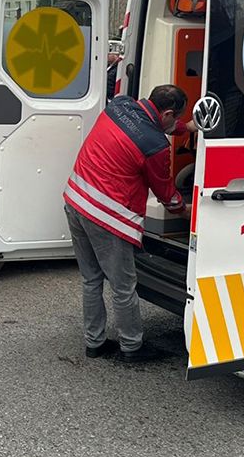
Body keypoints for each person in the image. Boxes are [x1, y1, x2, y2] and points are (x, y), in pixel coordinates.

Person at [63, 84, 196, 363]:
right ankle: (132, 348)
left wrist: (188, 128)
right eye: (175, 118)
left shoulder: (120, 106)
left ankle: (95, 343)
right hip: (106, 216)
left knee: (91, 279)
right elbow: (165, 193)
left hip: (76, 200)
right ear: (168, 112)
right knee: (123, 286)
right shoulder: (155, 146)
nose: (173, 124)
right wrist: (187, 212)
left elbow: (164, 125)